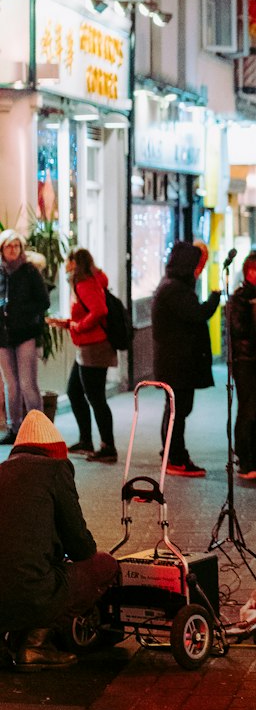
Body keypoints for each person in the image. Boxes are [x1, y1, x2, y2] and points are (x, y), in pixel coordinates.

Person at [0, 411, 119, 669]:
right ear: (56, 452)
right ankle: (35, 643)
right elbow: (81, 547)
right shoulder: (55, 469)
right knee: (103, 565)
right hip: (30, 593)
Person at [150, 240, 220, 477]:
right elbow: (197, 314)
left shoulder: (172, 286)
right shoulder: (175, 289)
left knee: (176, 410)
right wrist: (214, 298)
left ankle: (171, 453)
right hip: (176, 362)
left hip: (176, 361)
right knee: (176, 411)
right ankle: (176, 457)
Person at [51, 249, 119, 464]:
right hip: (87, 347)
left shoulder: (85, 283)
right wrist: (69, 324)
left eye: (68, 261)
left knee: (96, 397)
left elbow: (99, 310)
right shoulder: (85, 282)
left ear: (74, 263)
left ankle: (108, 446)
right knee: (74, 391)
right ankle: (86, 440)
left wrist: (79, 326)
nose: (65, 266)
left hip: (95, 347)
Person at [0, 229, 49, 443]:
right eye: (8, 246)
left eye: (16, 246)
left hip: (25, 333)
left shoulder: (29, 271)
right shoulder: (0, 273)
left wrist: (23, 312)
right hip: (3, 335)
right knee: (11, 383)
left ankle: (38, 429)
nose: (13, 250)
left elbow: (44, 301)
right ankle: (15, 428)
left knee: (28, 383)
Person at [227, 251, 256, 480]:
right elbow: (240, 329)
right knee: (248, 410)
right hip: (245, 361)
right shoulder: (241, 297)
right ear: (251, 272)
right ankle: (245, 459)